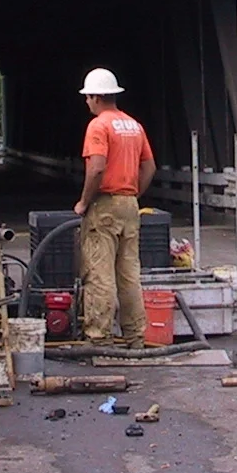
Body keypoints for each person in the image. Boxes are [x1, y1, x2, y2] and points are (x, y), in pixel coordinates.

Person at [72, 67, 155, 345]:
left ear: (96, 97)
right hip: (130, 205)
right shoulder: (134, 125)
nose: (86, 102)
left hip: (105, 206)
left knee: (100, 273)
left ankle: (99, 338)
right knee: (129, 274)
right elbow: (149, 166)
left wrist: (84, 202)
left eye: (87, 97)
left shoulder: (98, 126)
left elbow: (96, 168)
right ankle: (135, 337)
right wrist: (132, 195)